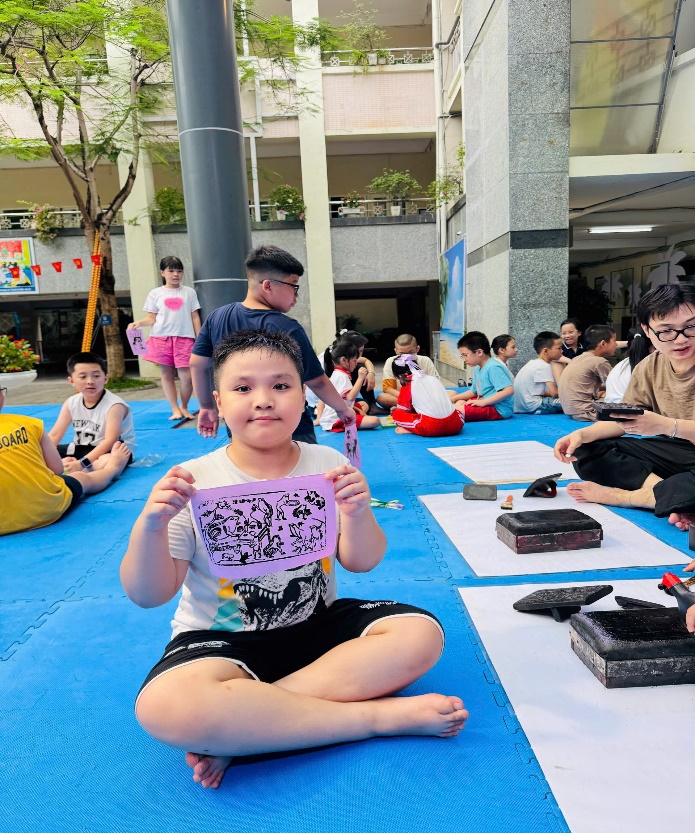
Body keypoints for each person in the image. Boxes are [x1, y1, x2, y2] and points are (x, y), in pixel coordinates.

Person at [121, 329, 467, 789]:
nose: (263, 400)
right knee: (164, 706)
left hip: (318, 626)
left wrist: (358, 513)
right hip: (224, 644)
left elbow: (361, 562)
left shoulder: (325, 461)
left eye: (281, 386)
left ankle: (247, 729)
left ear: (304, 398)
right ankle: (374, 718)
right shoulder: (192, 481)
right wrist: (150, 526)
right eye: (243, 388)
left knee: (421, 633)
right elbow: (149, 595)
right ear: (219, 403)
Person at [552, 284, 695, 538]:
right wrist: (583, 436)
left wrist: (665, 426)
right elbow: (626, 420)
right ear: (647, 332)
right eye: (666, 331)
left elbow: (659, 425)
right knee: (589, 450)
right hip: (678, 453)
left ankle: (628, 497)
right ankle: (670, 495)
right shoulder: (649, 367)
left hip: (679, 445)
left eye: (691, 326)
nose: (681, 338)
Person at [189, 245, 354, 443]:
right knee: (299, 471)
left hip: (242, 424)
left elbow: (197, 364)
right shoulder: (288, 327)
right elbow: (317, 380)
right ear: (268, 286)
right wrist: (342, 408)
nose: (296, 296)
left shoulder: (217, 317)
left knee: (250, 471)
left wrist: (207, 406)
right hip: (290, 429)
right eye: (294, 286)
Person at [0, 384, 131, 535]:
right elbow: (57, 470)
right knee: (81, 477)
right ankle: (113, 468)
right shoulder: (29, 423)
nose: (89, 382)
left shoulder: (113, 404)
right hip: (46, 508)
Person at [128, 256, 202, 421]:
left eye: (179, 270)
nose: (175, 274)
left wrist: (200, 338)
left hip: (185, 339)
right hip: (161, 338)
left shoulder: (189, 292)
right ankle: (175, 409)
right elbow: (151, 318)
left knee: (187, 377)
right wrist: (139, 323)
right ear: (162, 273)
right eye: (171, 270)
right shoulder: (155, 294)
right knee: (166, 375)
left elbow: (195, 317)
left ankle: (184, 406)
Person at [48, 352, 137, 472]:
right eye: (83, 377)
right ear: (71, 381)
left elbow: (110, 440)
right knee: (49, 452)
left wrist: (83, 463)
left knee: (108, 460)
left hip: (112, 449)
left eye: (96, 376)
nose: (90, 381)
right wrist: (40, 455)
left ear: (105, 378)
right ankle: (70, 464)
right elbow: (54, 435)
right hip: (82, 448)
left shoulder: (114, 406)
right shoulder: (71, 402)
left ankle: (81, 470)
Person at [309, 330, 381, 418]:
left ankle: (371, 405)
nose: (361, 354)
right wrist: (361, 378)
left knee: (363, 403)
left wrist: (371, 373)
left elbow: (365, 360)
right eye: (360, 351)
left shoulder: (341, 356)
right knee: (359, 369)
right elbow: (348, 397)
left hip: (332, 400)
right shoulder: (337, 371)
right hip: (323, 404)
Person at [391, 355, 464, 437]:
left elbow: (405, 410)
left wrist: (397, 410)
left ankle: (414, 429)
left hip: (431, 426)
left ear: (399, 375)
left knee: (396, 414)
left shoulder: (408, 384)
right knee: (457, 411)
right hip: (456, 424)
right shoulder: (432, 378)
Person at [449, 332, 514, 421]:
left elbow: (509, 390)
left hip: (498, 409)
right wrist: (453, 398)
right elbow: (474, 391)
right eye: (462, 356)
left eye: (465, 355)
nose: (464, 359)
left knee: (451, 411)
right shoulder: (479, 368)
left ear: (479, 352)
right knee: (458, 402)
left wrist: (483, 402)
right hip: (485, 402)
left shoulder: (493, 367)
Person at [557, 325, 617, 421]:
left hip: (570, 410)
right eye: (614, 341)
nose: (616, 345)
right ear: (603, 343)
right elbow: (617, 386)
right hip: (587, 411)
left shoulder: (579, 358)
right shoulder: (599, 361)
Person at [319, 341, 381, 432]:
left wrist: (356, 409)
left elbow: (342, 400)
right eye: (355, 360)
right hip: (336, 419)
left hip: (339, 411)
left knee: (363, 404)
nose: (356, 363)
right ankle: (348, 421)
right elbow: (350, 397)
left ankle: (354, 414)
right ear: (344, 360)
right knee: (375, 421)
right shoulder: (342, 376)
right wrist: (360, 378)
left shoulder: (338, 373)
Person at [377, 334, 439, 411]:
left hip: (424, 397)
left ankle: (407, 408)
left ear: (417, 349)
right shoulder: (390, 362)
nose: (406, 357)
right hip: (402, 397)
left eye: (410, 352)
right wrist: (408, 397)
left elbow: (435, 385)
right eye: (402, 354)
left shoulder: (426, 360)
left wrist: (421, 397)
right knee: (382, 398)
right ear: (396, 351)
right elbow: (388, 388)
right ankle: (418, 408)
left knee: (452, 393)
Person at [513, 332, 564, 414]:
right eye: (559, 348)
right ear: (546, 351)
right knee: (571, 402)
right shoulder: (543, 366)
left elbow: (539, 391)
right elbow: (554, 393)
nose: (562, 351)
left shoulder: (532, 363)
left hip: (521, 407)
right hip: (534, 406)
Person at [604, 329, 653, 403]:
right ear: (654, 347)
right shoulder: (650, 367)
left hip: (610, 411)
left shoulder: (621, 366)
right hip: (631, 412)